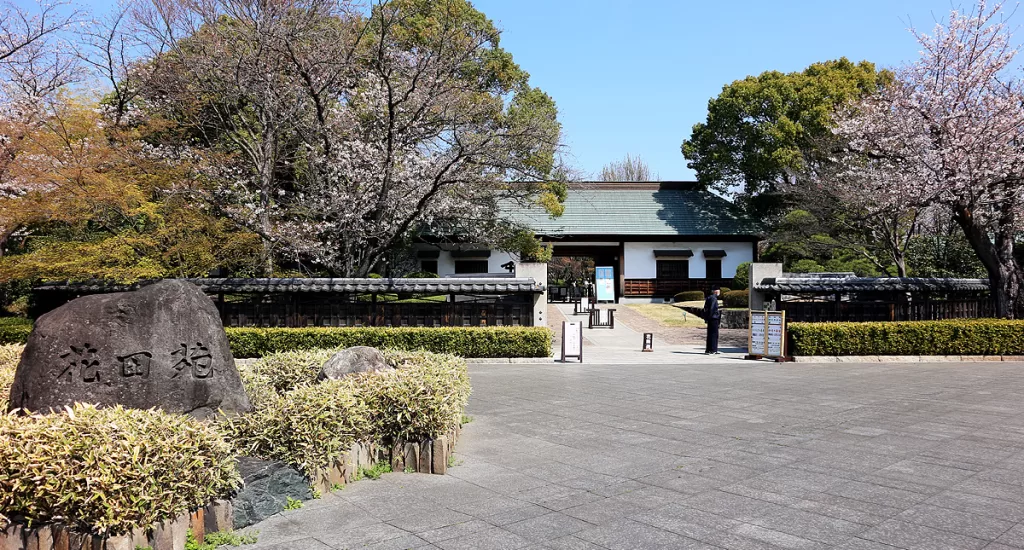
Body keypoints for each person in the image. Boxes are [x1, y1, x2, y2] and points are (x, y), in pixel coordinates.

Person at [703, 289, 721, 354]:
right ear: (716, 291)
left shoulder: (709, 297)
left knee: (710, 334)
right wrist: (712, 316)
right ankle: (713, 349)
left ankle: (708, 349)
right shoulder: (714, 298)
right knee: (714, 334)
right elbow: (712, 308)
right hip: (713, 318)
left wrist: (707, 318)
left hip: (710, 318)